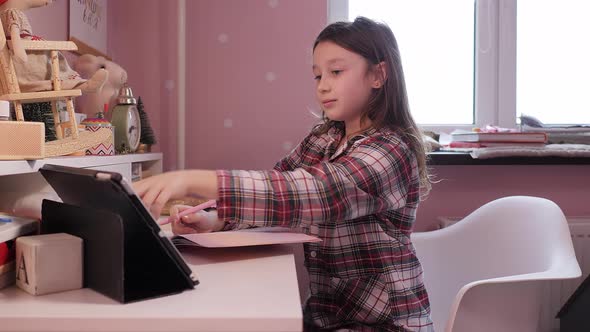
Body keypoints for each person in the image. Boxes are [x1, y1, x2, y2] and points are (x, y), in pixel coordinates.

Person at [134, 16, 433, 332]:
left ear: (378, 74)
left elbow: (319, 193)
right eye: (317, 76)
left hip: (386, 323)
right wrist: (216, 219)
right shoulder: (323, 139)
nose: (323, 85)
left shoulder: (391, 150)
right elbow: (277, 193)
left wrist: (192, 180)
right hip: (327, 317)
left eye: (336, 72)